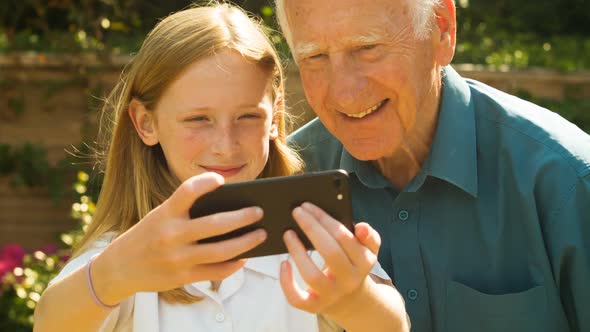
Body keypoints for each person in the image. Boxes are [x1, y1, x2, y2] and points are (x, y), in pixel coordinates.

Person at [33, 3, 410, 332]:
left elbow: (393, 325)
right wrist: (113, 274)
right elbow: (50, 323)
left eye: (248, 116)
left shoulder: (312, 234)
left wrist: (354, 297)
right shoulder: (129, 250)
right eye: (198, 120)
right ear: (146, 123)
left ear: (275, 117)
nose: (226, 144)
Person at [275, 0, 590, 331]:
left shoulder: (566, 181)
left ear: (442, 29)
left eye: (368, 47)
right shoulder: (290, 179)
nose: (345, 93)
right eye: (314, 57)